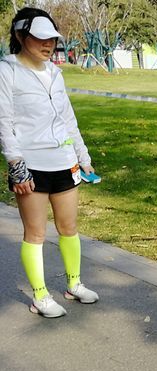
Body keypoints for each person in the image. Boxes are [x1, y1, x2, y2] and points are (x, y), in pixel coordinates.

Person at [0, 7, 99, 318]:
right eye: (40, 38)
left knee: (69, 227)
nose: (48, 45)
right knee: (36, 233)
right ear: (20, 36)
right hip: (31, 167)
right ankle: (40, 296)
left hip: (64, 162)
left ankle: (74, 285)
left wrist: (83, 157)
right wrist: (16, 164)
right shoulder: (7, 71)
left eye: (52, 40)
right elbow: (3, 122)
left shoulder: (55, 72)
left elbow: (68, 120)